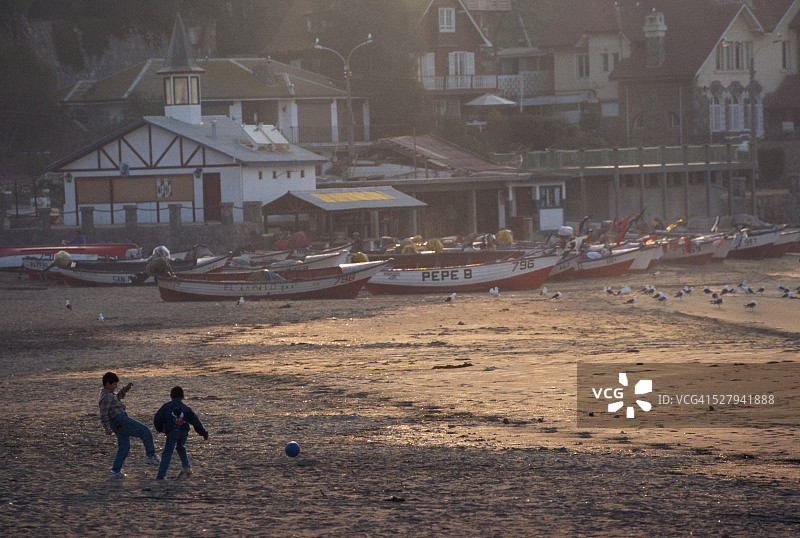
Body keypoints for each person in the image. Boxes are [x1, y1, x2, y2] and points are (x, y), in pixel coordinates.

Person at [99, 372, 159, 478]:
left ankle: (115, 471)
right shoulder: (106, 396)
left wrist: (126, 389)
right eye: (114, 384)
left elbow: (117, 398)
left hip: (118, 421)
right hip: (120, 420)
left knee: (124, 447)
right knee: (145, 431)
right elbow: (103, 413)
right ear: (107, 384)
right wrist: (107, 428)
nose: (115, 386)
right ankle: (150, 456)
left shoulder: (109, 395)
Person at [153, 386, 208, 480]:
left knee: (167, 452)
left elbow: (157, 418)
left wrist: (160, 429)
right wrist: (203, 433)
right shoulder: (186, 408)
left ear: (171, 396)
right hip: (183, 431)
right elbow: (195, 421)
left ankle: (161, 475)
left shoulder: (166, 406)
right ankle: (187, 469)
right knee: (181, 447)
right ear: (183, 397)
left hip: (172, 431)